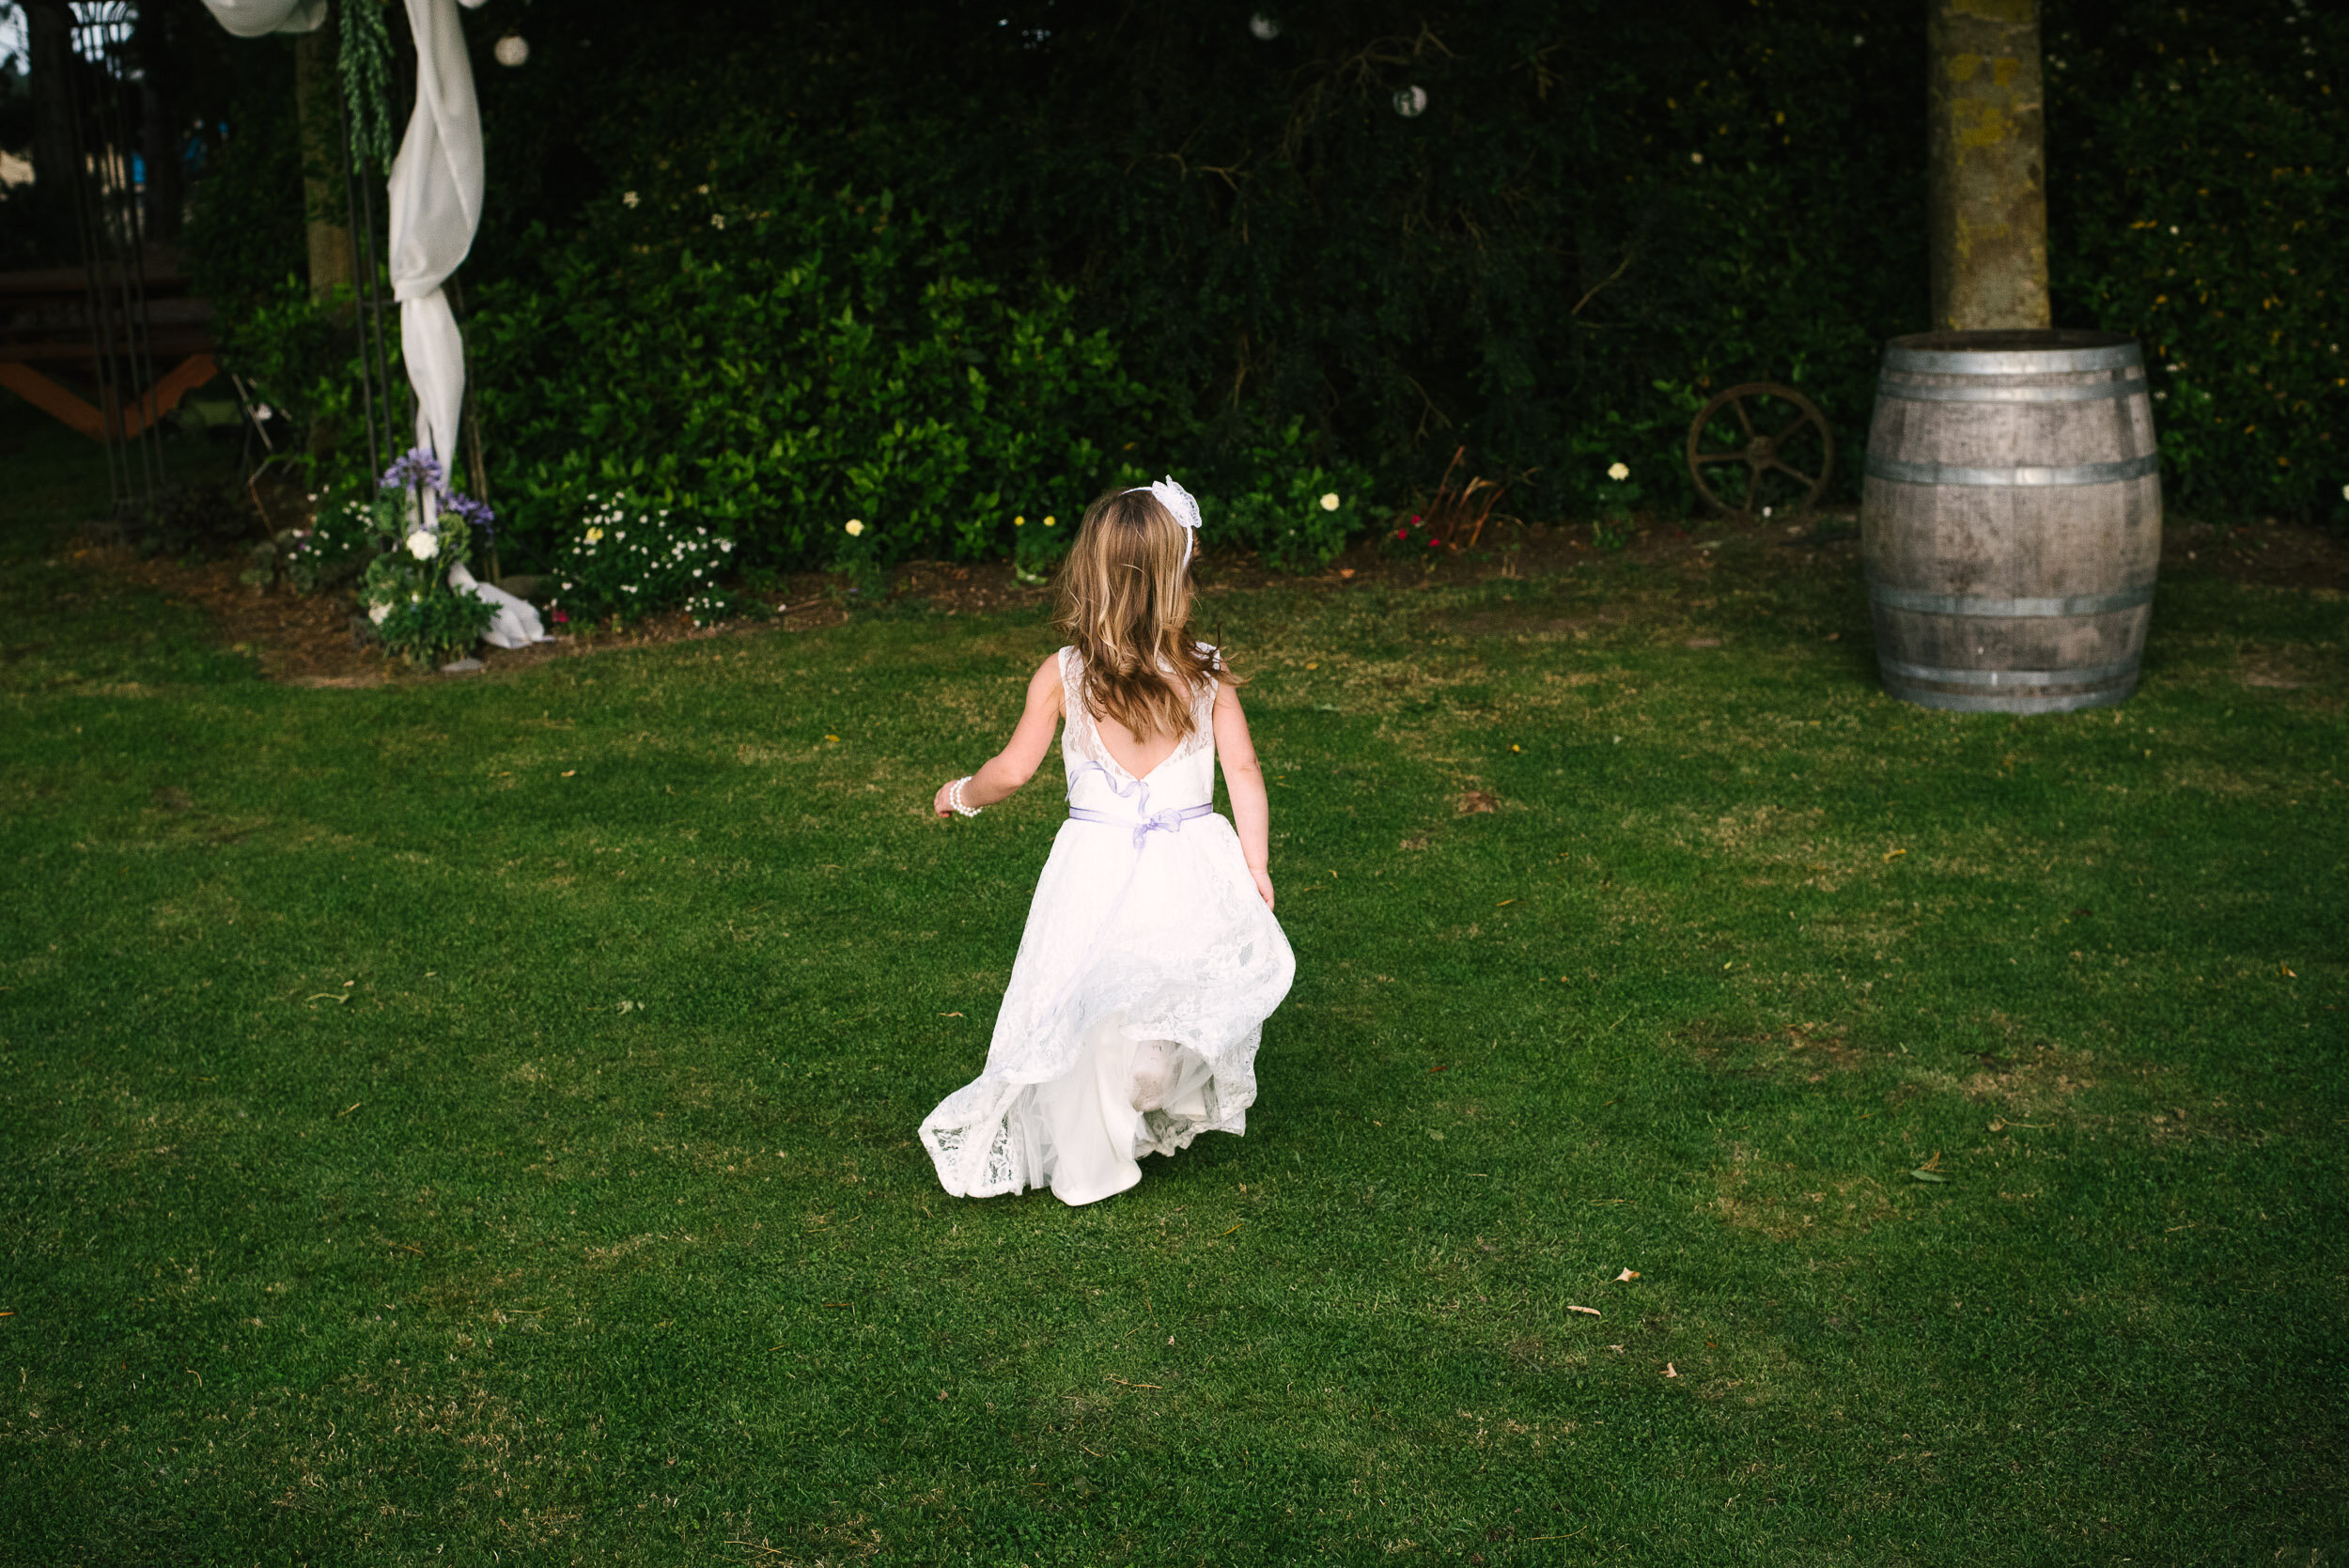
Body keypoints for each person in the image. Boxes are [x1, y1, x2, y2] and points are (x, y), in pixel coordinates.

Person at [919, 478, 1296, 1205]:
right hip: (1190, 863)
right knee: (1169, 975)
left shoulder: (1064, 674)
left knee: (1085, 992)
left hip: (1093, 868)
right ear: (1176, 578)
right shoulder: (1205, 671)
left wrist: (961, 792)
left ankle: (1101, 1137)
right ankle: (1150, 1074)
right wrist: (1254, 863)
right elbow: (1244, 771)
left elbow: (1013, 769)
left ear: (1091, 576)